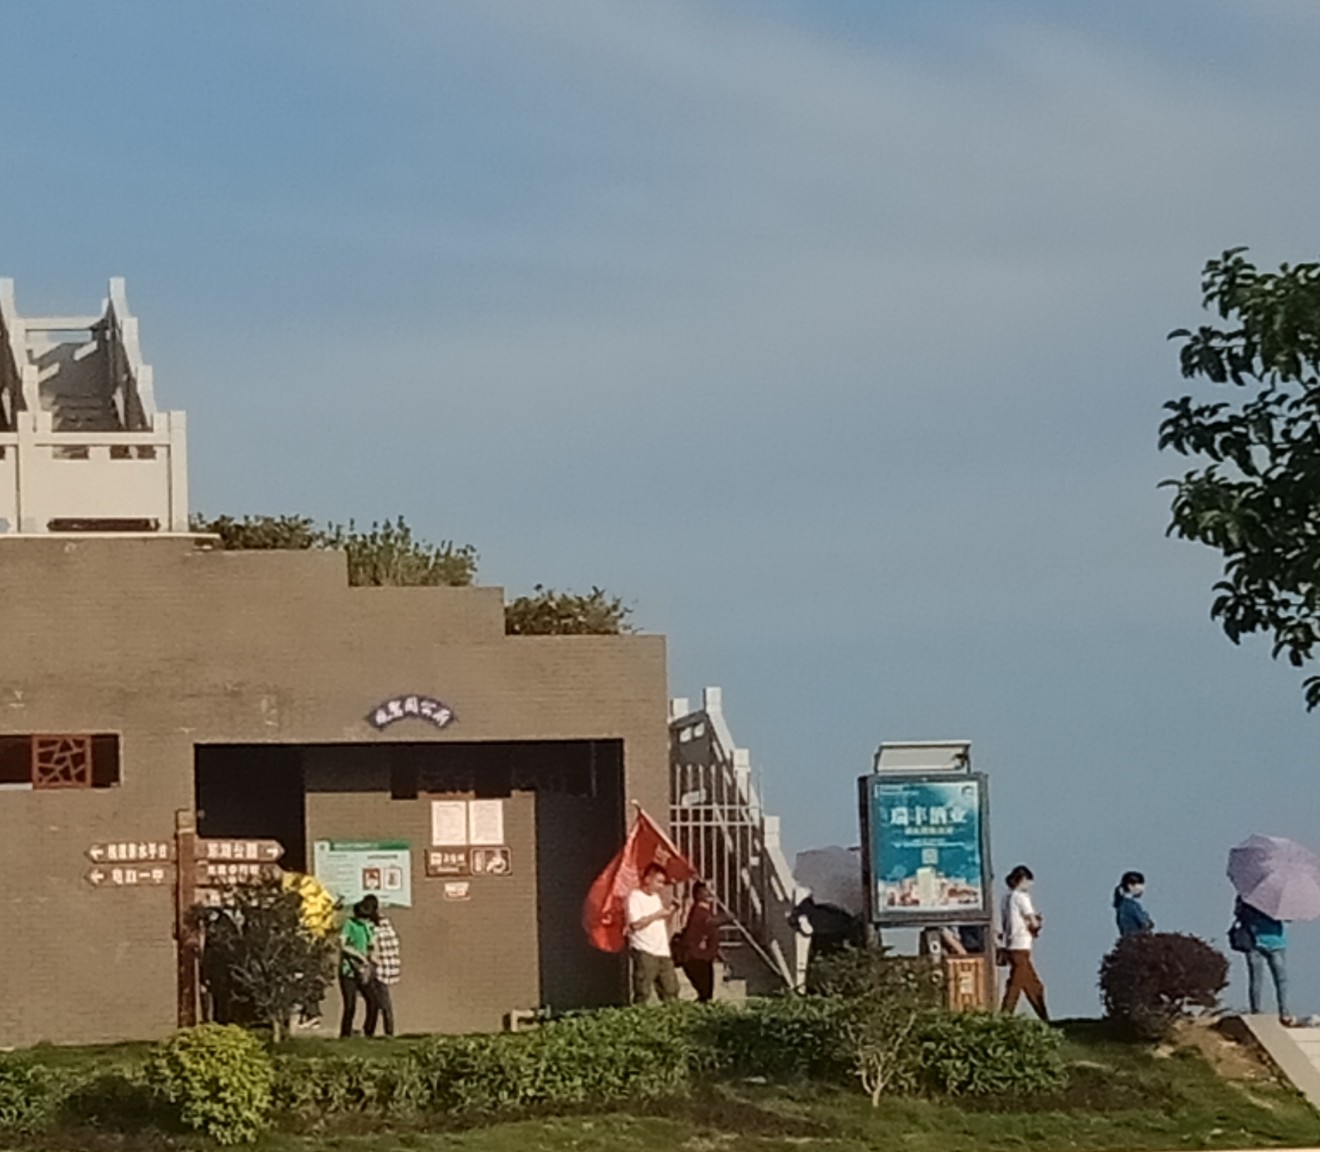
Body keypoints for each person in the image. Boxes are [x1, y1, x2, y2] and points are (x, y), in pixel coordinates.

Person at [1233, 896, 1293, 1025]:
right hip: (1264, 942)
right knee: (1274, 979)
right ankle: (1275, 1011)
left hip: (1264, 941)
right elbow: (1289, 919)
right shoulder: (1275, 899)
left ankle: (1268, 1011)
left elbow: (1288, 918)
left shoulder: (1248, 896)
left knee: (1266, 979)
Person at [999, 864, 1048, 1021]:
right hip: (1021, 944)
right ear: (1023, 880)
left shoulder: (1006, 898)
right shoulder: (1021, 897)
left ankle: (1043, 1016)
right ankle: (1005, 1015)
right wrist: (1037, 924)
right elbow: (1031, 919)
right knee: (1015, 984)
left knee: (1033, 984)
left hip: (1010, 943)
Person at [626, 863, 680, 1004]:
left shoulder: (656, 898)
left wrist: (671, 911)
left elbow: (660, 919)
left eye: (663, 883)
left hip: (662, 950)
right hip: (645, 949)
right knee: (643, 989)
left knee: (671, 988)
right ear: (647, 879)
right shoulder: (635, 897)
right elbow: (635, 924)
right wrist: (656, 915)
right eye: (658, 882)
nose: (661, 886)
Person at [338, 899, 378, 1038]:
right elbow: (343, 944)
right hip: (348, 970)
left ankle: (369, 1031)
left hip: (364, 969)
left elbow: (372, 944)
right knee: (350, 1005)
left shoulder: (369, 926)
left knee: (373, 1002)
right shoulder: (349, 924)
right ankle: (345, 1034)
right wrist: (359, 956)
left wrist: (372, 957)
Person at [362, 895, 401, 1038]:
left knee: (380, 1003)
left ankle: (383, 1031)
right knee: (378, 1001)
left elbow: (370, 948)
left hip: (377, 968)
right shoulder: (385, 922)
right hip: (389, 967)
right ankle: (377, 1030)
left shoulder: (370, 926)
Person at [677, 883, 722, 1002]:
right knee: (704, 993)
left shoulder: (705, 911)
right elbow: (710, 922)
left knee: (706, 993)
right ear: (697, 894)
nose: (710, 893)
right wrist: (728, 917)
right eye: (706, 891)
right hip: (696, 957)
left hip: (704, 957)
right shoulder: (699, 912)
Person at [1114, 871, 1154, 937]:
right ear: (1130, 886)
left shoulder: (1121, 906)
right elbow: (1144, 922)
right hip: (1138, 938)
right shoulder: (1131, 905)